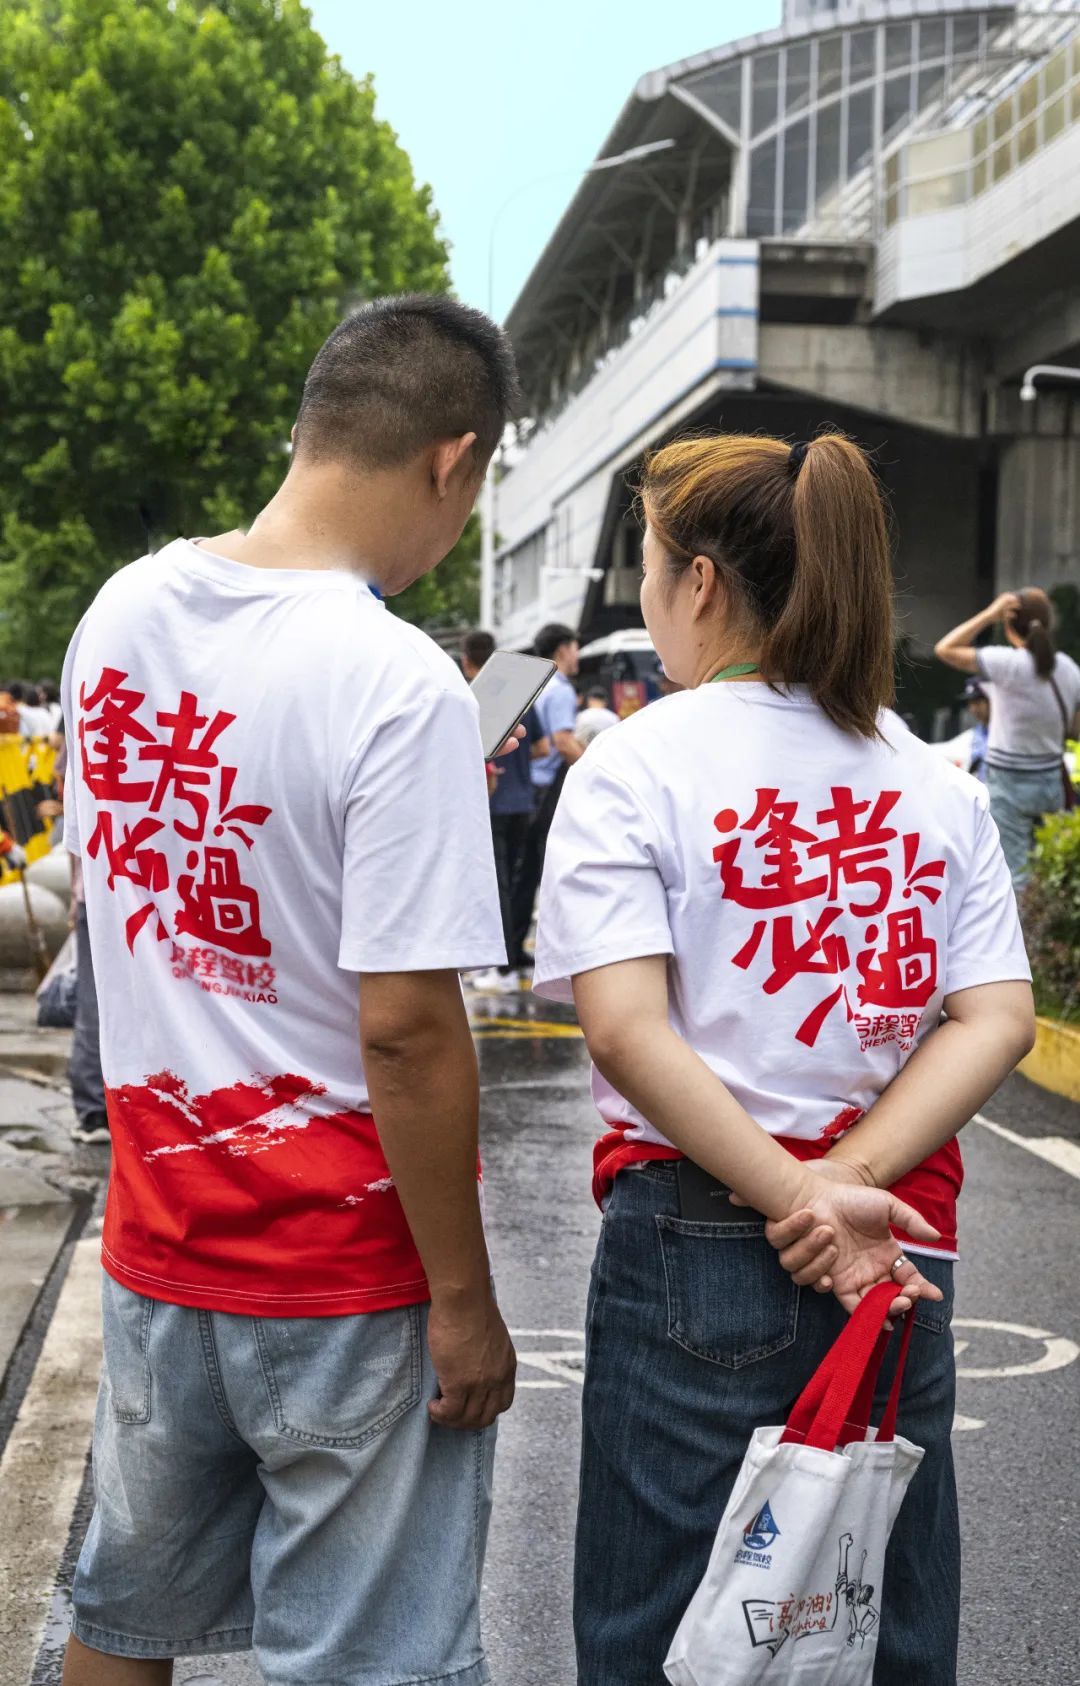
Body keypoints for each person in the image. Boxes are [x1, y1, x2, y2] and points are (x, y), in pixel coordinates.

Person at [61, 295, 519, 1686]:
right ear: (451, 459)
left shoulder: (122, 613)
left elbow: (112, 901)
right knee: (369, 1659)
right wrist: (462, 1298)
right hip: (343, 1279)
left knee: (122, 1625)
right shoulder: (398, 682)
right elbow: (408, 1031)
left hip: (157, 1246)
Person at [533, 432, 1036, 1686]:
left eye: (653, 569)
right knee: (883, 1609)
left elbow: (625, 1029)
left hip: (701, 1234)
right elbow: (995, 1019)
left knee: (663, 1629)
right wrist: (842, 1185)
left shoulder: (636, 764)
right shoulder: (934, 782)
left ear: (701, 583)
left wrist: (800, 1198)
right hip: (895, 1243)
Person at [935, 588, 1080, 886]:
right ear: (1048, 624)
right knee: (1051, 871)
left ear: (1010, 627)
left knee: (1015, 876)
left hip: (1008, 783)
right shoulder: (1067, 668)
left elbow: (945, 648)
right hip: (1050, 781)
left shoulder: (1008, 664)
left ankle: (1023, 919)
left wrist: (990, 614)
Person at [461, 628, 549, 992]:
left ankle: (501, 966)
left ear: (467, 661)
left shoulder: (469, 699)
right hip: (523, 801)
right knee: (518, 882)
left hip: (491, 804)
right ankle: (511, 958)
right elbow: (543, 748)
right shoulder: (523, 697)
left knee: (495, 885)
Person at [508, 622, 582, 972]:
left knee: (521, 870)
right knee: (543, 869)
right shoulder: (562, 689)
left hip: (528, 787)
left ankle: (513, 947)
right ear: (563, 649)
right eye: (575, 648)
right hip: (548, 788)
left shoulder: (538, 683)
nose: (577, 655)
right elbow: (563, 743)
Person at [962, 678, 989, 782]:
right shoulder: (977, 732)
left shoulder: (1005, 732)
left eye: (977, 703)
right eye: (970, 703)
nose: (973, 709)